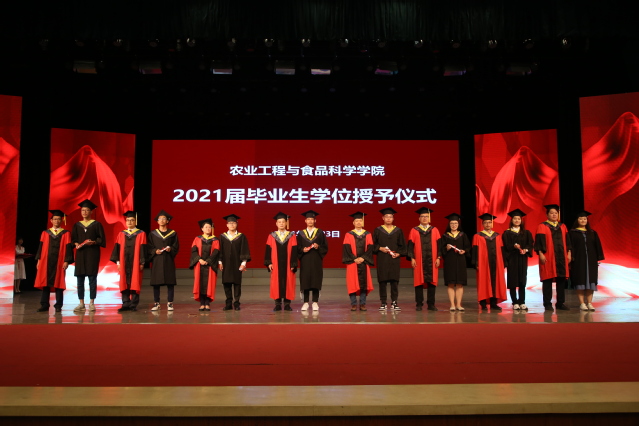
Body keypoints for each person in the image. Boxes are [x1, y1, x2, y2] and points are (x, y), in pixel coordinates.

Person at [34, 210, 74, 312]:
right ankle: (44, 304)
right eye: (55, 219)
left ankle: (58, 305)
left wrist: (67, 261)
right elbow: (40, 247)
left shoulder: (66, 233)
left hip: (60, 261)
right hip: (45, 261)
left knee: (59, 282)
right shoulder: (45, 233)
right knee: (45, 282)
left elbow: (68, 248)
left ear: (61, 221)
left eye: (59, 219)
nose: (56, 221)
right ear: (51, 220)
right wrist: (39, 260)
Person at [534, 204, 571, 311]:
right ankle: (547, 303)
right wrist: (540, 253)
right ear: (547, 215)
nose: (554, 215)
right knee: (547, 280)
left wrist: (569, 253)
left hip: (561, 257)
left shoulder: (562, 226)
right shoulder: (542, 226)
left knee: (561, 280)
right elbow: (539, 242)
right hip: (548, 256)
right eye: (552, 213)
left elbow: (568, 241)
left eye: (556, 213)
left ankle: (560, 303)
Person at [71, 199, 106, 313]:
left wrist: (94, 242)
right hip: (80, 254)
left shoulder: (96, 224)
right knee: (80, 280)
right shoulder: (77, 225)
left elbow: (102, 239)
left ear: (91, 212)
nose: (84, 212)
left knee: (92, 279)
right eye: (83, 210)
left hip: (92, 254)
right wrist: (76, 243)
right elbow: (73, 239)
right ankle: (81, 303)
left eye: (87, 210)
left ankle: (91, 303)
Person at [110, 211, 147, 312]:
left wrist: (142, 262)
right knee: (124, 282)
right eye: (128, 220)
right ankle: (125, 303)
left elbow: (143, 248)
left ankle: (133, 304)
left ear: (135, 222)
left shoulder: (141, 234)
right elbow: (117, 249)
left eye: (132, 220)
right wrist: (118, 262)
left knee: (135, 281)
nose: (130, 222)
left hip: (136, 262)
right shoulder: (121, 234)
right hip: (124, 262)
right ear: (126, 222)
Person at [568, 210, 604, 311]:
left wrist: (598, 258)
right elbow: (569, 246)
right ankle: (582, 303)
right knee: (580, 281)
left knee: (590, 282)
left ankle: (589, 303)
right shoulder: (572, 233)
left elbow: (597, 246)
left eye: (585, 219)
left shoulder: (592, 233)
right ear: (577, 220)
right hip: (578, 260)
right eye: (581, 219)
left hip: (591, 261)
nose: (583, 220)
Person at [407, 207, 441, 311]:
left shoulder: (435, 230)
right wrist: (412, 258)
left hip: (432, 260)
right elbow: (410, 246)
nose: (425, 218)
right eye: (422, 216)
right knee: (418, 282)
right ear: (419, 218)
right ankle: (419, 304)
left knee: (432, 282)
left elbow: (439, 245)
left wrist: (438, 257)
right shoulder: (414, 230)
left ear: (429, 218)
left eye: (426, 216)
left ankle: (431, 304)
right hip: (419, 260)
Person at [373, 207, 407, 311]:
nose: (388, 218)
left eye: (390, 217)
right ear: (383, 218)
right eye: (386, 217)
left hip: (394, 259)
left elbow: (403, 246)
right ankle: (383, 302)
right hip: (382, 259)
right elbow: (372, 245)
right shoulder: (378, 230)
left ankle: (394, 302)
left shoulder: (398, 231)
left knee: (394, 281)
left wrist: (398, 254)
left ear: (393, 218)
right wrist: (380, 248)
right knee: (382, 281)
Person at [472, 213, 507, 311]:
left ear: (492, 224)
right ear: (482, 224)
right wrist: (475, 262)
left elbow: (502, 250)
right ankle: (483, 303)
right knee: (483, 282)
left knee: (495, 282)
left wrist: (504, 262)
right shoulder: (477, 236)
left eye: (489, 222)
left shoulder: (497, 236)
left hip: (496, 263)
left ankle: (493, 303)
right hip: (483, 263)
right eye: (486, 223)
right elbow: (475, 250)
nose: (488, 224)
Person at [501, 209, 534, 311]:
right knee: (513, 280)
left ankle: (522, 302)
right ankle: (515, 302)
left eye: (518, 219)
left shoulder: (526, 233)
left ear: (521, 220)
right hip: (512, 259)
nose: (517, 220)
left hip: (522, 258)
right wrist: (513, 246)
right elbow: (506, 246)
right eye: (515, 218)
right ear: (511, 220)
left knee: (522, 280)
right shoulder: (507, 233)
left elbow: (530, 244)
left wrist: (525, 250)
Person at [265, 212, 298, 311]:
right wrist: (269, 262)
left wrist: (293, 263)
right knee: (276, 283)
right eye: (279, 222)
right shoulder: (272, 236)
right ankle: (278, 304)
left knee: (289, 282)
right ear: (276, 223)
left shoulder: (292, 235)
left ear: (286, 223)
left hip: (288, 264)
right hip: (276, 263)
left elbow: (294, 250)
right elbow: (268, 250)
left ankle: (287, 304)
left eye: (283, 222)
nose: (281, 224)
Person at [148, 210, 180, 311]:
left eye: (164, 219)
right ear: (157, 221)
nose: (162, 220)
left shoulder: (172, 233)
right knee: (156, 282)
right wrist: (154, 251)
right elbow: (149, 246)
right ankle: (156, 303)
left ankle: (170, 303)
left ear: (167, 221)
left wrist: (171, 249)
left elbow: (176, 246)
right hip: (157, 260)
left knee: (170, 282)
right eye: (160, 219)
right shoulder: (153, 234)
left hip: (168, 260)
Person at [218, 214, 251, 311]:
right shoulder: (222, 237)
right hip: (226, 263)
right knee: (226, 283)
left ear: (236, 224)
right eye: (230, 223)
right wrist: (220, 262)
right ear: (227, 225)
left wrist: (243, 263)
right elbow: (220, 250)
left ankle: (236, 303)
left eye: (234, 223)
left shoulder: (241, 236)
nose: (232, 225)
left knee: (237, 284)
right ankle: (228, 303)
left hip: (237, 263)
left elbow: (244, 250)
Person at [297, 210, 328, 311]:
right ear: (305, 221)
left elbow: (325, 246)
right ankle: (305, 302)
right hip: (305, 259)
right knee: (305, 280)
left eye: (312, 219)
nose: (310, 221)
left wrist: (318, 247)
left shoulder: (320, 233)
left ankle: (315, 302)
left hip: (316, 259)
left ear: (315, 220)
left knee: (316, 280)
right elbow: (297, 247)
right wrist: (302, 249)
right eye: (308, 219)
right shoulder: (301, 233)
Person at [342, 212, 374, 311]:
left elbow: (370, 248)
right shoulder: (348, 234)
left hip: (364, 262)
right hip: (353, 262)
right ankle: (353, 304)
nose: (359, 222)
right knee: (352, 283)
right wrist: (354, 258)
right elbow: (346, 248)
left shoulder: (367, 234)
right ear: (353, 222)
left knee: (364, 284)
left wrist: (363, 258)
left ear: (363, 222)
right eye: (357, 221)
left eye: (360, 221)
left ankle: (363, 303)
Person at [440, 214, 470, 311]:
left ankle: (459, 304)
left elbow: (468, 247)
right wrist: (446, 248)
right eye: (452, 223)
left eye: (455, 223)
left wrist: (464, 251)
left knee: (460, 284)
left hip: (460, 261)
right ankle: (452, 304)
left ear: (458, 224)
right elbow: (441, 249)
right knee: (451, 283)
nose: (454, 225)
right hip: (450, 261)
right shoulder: (445, 236)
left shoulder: (462, 235)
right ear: (449, 224)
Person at [190, 218, 220, 311]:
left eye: (209, 227)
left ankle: (207, 303)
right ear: (202, 229)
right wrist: (199, 260)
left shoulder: (215, 239)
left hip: (210, 265)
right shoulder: (197, 239)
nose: (208, 229)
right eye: (206, 227)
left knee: (209, 284)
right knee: (200, 283)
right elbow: (194, 251)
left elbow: (216, 251)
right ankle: (202, 303)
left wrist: (208, 260)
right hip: (199, 265)